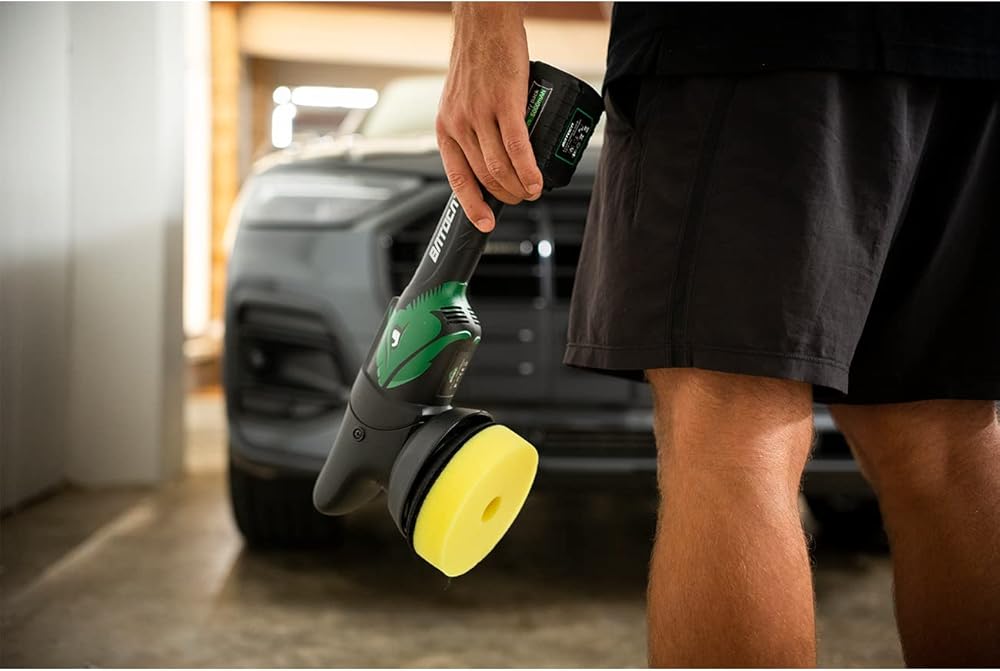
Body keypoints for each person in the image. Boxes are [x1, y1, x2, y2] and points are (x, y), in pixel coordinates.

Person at [437, 2, 1000, 667]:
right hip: (974, 51)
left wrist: (484, 24)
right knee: (946, 449)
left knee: (733, 435)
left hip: (750, 36)